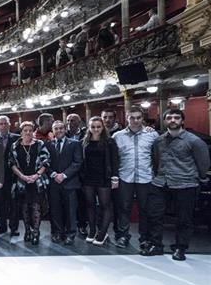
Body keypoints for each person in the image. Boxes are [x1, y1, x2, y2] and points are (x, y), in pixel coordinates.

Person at [142, 109, 210, 261]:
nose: (173, 120)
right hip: (161, 182)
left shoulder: (194, 141)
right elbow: (156, 160)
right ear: (165, 121)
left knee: (184, 218)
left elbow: (203, 165)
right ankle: (156, 245)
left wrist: (197, 179)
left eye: (176, 117)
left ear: (182, 121)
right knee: (154, 214)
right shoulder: (159, 140)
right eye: (169, 118)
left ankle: (180, 247)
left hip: (185, 184)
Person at [111, 106, 159, 250]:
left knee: (145, 209)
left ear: (142, 118)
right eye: (132, 117)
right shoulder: (117, 136)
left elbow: (157, 157)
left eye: (138, 117)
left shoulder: (152, 135)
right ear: (127, 118)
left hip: (146, 177)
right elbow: (115, 159)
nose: (136, 120)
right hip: (125, 176)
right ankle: (123, 236)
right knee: (124, 208)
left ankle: (144, 237)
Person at [9, 121, 51, 245]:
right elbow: (11, 163)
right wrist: (22, 176)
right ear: (21, 132)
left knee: (36, 207)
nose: (28, 133)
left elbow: (46, 162)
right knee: (25, 207)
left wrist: (36, 175)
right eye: (25, 130)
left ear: (33, 131)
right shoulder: (15, 145)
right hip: (21, 182)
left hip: (36, 181)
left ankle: (36, 232)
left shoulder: (39, 144)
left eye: (30, 130)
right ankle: (27, 231)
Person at [80, 116, 120, 246]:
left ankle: (102, 233)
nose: (96, 129)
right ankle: (92, 231)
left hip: (104, 177)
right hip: (88, 177)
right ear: (89, 128)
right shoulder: (84, 141)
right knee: (90, 204)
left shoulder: (110, 141)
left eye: (98, 126)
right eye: (93, 127)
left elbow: (115, 160)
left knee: (105, 205)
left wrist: (115, 178)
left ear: (103, 127)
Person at [45, 121, 83, 245]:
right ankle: (57, 233)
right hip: (54, 182)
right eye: (56, 128)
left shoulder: (75, 144)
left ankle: (70, 234)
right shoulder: (48, 145)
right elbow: (45, 163)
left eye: (61, 128)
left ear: (65, 129)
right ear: (53, 131)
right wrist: (54, 174)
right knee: (55, 210)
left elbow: (77, 162)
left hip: (70, 182)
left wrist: (64, 175)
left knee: (70, 210)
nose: (59, 130)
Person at [0, 115, 20, 236]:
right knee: (0, 203)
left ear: (9, 125)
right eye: (1, 124)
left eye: (5, 123)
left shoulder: (17, 138)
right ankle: (2, 225)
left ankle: (14, 228)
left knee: (13, 203)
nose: (3, 126)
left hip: (13, 176)